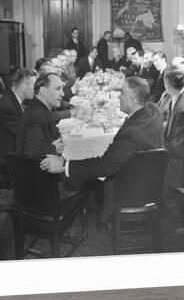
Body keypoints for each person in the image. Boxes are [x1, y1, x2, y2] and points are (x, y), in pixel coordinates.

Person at [40, 77, 164, 222]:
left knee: (87, 174)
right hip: (152, 183)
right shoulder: (153, 111)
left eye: (122, 93)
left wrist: (64, 165)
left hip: (131, 190)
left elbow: (105, 166)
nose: (118, 96)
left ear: (132, 100)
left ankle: (87, 205)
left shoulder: (131, 135)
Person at [0, 68, 36, 182]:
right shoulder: (7, 107)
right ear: (23, 86)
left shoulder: (15, 100)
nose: (36, 90)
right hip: (4, 165)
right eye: (34, 86)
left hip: (13, 153)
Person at [15, 72, 65, 160]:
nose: (62, 94)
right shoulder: (36, 115)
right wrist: (54, 148)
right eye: (58, 89)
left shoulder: (40, 109)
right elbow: (32, 151)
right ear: (43, 91)